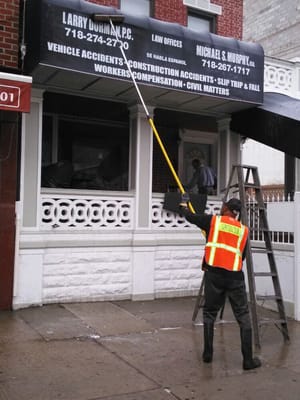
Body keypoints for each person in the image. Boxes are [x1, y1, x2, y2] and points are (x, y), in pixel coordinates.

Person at [179, 195, 261, 370]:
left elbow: (191, 217)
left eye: (223, 206)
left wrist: (183, 205)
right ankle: (248, 360)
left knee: (209, 313)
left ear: (226, 209)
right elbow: (242, 257)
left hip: (214, 274)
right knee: (243, 317)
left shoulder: (213, 221)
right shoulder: (243, 230)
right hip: (234, 277)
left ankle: (208, 354)